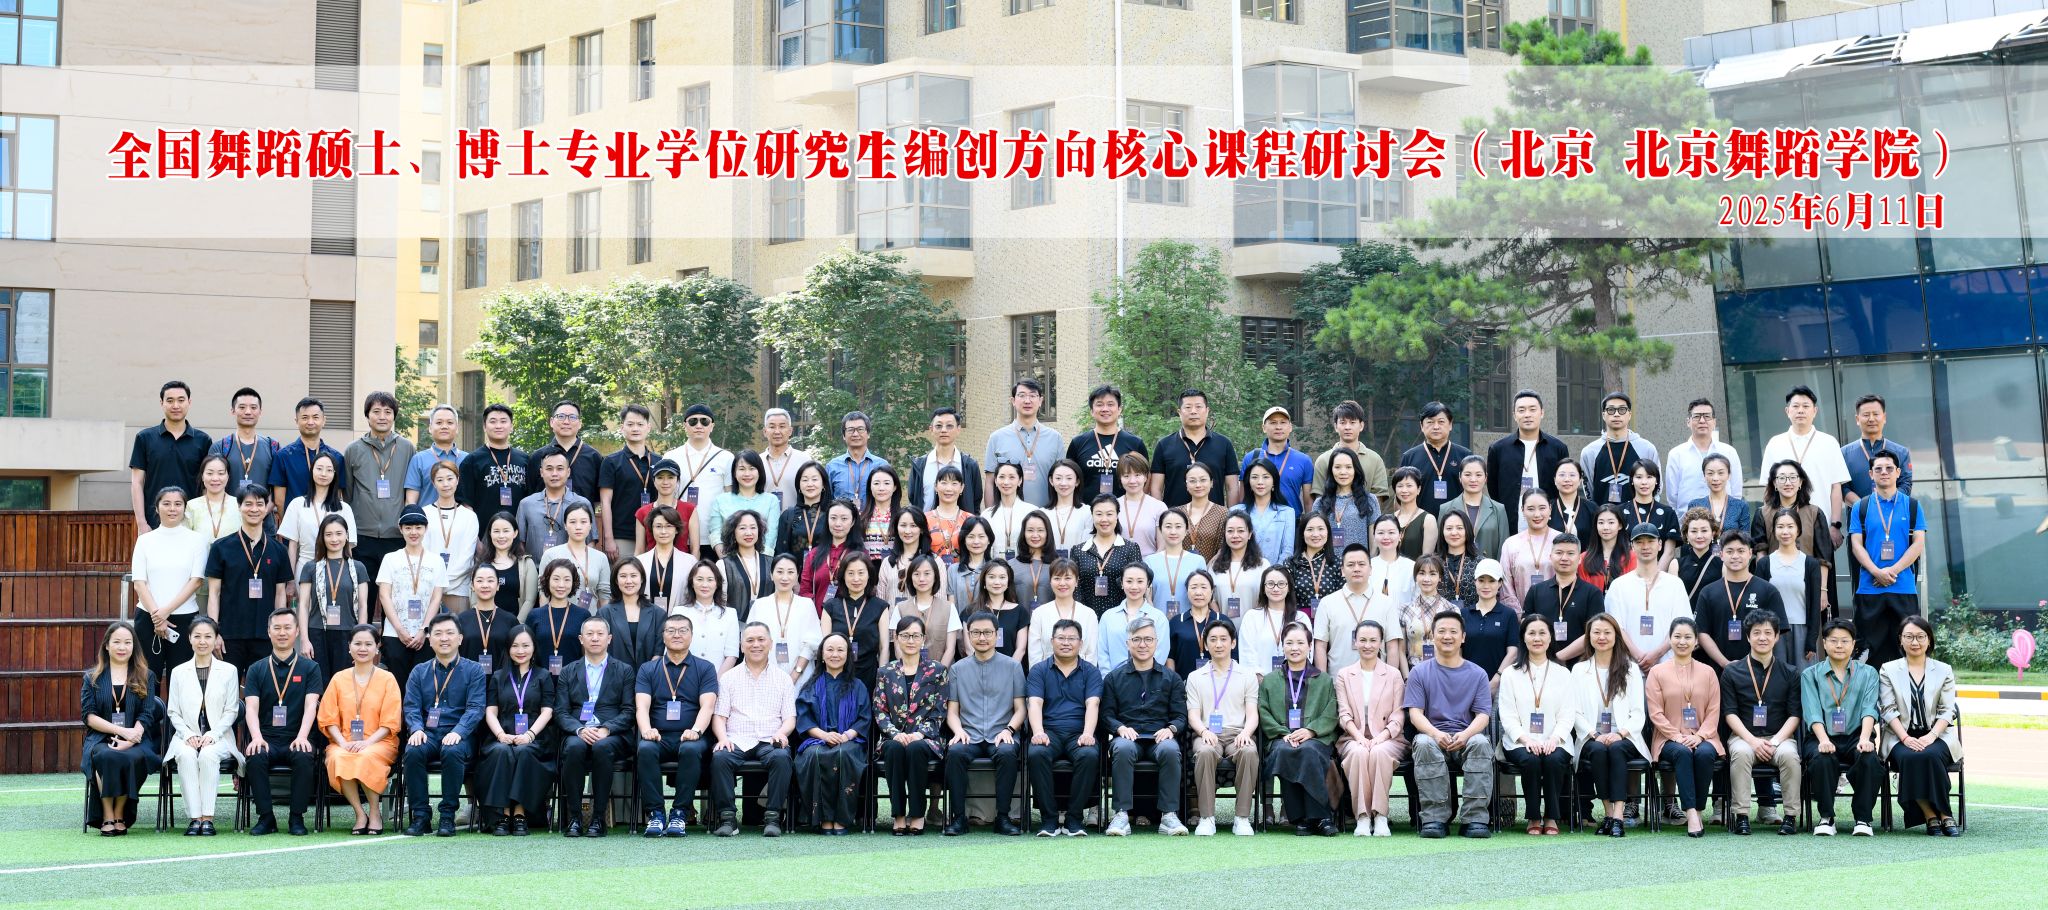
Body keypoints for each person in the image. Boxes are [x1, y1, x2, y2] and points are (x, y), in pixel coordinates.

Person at [1404, 609, 1495, 839]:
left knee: (1481, 742)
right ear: (1432, 636)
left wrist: (1465, 735)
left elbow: (1483, 716)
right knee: (1423, 742)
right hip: (1433, 737)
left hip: (1466, 737)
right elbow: (1415, 714)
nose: (1447, 636)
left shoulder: (1478, 674)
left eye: (1453, 632)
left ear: (1463, 637)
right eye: (1441, 631)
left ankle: (1474, 819)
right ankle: (1435, 818)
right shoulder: (1419, 672)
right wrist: (1436, 734)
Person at [1100, 616, 1188, 836]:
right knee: (1122, 748)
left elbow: (1180, 716)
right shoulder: (1114, 678)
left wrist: (1171, 729)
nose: (1142, 645)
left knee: (1170, 749)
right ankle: (1121, 815)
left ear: (1156, 642)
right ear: (1128, 643)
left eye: (1148, 639)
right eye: (1137, 639)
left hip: (1160, 737)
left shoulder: (1171, 678)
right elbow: (1106, 715)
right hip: (1128, 736)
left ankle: (1169, 815)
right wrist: (1120, 728)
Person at [943, 611, 1028, 836]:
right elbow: (952, 711)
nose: (982, 637)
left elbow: (1021, 709)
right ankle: (959, 818)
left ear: (997, 635)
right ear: (969, 635)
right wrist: (958, 731)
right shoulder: (957, 669)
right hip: (968, 733)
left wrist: (1009, 729)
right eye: (976, 633)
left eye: (987, 632)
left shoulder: (1012, 666)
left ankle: (1003, 817)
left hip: (1002, 732)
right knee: (955, 752)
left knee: (1007, 753)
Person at [399, 613, 485, 837]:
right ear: (430, 640)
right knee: (413, 751)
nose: (444, 638)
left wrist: (459, 731)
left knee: (452, 750)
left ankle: (447, 815)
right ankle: (421, 816)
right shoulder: (419, 671)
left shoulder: (474, 670)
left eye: (449, 633)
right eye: (438, 633)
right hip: (428, 733)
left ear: (460, 638)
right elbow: (411, 706)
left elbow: (476, 708)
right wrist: (416, 728)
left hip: (460, 735)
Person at [710, 622, 798, 837]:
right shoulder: (729, 677)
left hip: (770, 739)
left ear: (770, 644)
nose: (755, 645)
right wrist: (722, 738)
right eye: (750, 640)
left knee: (781, 758)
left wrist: (782, 733)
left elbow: (790, 718)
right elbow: (719, 716)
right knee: (720, 757)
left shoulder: (783, 678)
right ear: (742, 646)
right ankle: (728, 818)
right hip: (737, 739)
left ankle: (773, 817)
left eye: (761, 640)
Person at [635, 613, 719, 837]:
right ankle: (655, 815)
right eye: (671, 630)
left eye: (683, 630)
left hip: (691, 736)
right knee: (645, 748)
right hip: (658, 736)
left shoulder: (705, 668)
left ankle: (680, 813)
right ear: (663, 636)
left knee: (691, 749)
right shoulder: (648, 669)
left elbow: (708, 706)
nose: (677, 635)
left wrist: (696, 731)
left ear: (691, 635)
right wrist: (646, 730)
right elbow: (641, 706)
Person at [1719, 611, 1802, 836]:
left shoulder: (1790, 673)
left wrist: (1774, 742)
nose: (1762, 638)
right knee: (1741, 753)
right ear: (1748, 637)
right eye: (1756, 633)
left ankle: (1791, 817)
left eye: (1768, 633)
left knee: (1790, 756)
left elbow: (1794, 715)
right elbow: (1730, 713)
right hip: (1743, 737)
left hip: (1779, 738)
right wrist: (1753, 741)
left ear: (1777, 637)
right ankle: (1741, 816)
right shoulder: (1732, 672)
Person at [241, 608, 321, 836]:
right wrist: (256, 737)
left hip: (298, 735)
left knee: (303, 755)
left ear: (297, 631)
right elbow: (251, 708)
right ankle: (266, 817)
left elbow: (311, 706)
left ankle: (297, 817)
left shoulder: (310, 668)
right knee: (255, 755)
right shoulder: (256, 669)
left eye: (287, 628)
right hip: (266, 736)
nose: (282, 633)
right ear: (269, 632)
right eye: (277, 628)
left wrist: (302, 736)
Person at [1878, 616, 1961, 836]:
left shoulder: (1943, 670)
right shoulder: (1888, 669)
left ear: (1929, 639)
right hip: (1899, 735)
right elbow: (1888, 710)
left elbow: (1947, 710)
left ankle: (1943, 814)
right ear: (1900, 639)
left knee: (1930, 755)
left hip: (1938, 734)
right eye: (1909, 637)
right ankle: (1930, 814)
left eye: (1920, 637)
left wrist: (1931, 736)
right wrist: (1905, 738)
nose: (1915, 642)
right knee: (1911, 756)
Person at [1800, 619, 1883, 837]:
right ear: (1824, 643)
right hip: (1821, 735)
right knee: (1821, 759)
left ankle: (1863, 818)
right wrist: (1823, 740)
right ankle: (1826, 817)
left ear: (1853, 644)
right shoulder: (1810, 674)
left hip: (1857, 734)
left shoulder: (1868, 673)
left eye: (1845, 641)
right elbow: (1812, 711)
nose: (1839, 645)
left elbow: (1869, 709)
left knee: (1869, 759)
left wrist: (1865, 738)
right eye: (1833, 640)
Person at [554, 616, 635, 837]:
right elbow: (560, 711)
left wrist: (607, 729)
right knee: (573, 747)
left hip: (612, 734)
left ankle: (598, 818)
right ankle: (575, 818)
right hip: (578, 731)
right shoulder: (568, 671)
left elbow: (629, 711)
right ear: (581, 639)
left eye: (600, 634)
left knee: (602, 747)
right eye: (590, 634)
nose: (595, 638)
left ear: (609, 638)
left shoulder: (624, 670)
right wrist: (579, 730)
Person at [318, 624, 401, 835]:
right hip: (343, 740)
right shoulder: (338, 679)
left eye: (368, 644)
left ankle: (374, 811)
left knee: (365, 756)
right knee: (339, 757)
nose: (362, 648)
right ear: (349, 647)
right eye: (357, 643)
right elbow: (328, 718)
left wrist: (367, 742)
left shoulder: (387, 679)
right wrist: (342, 742)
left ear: (377, 647)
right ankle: (359, 813)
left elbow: (390, 721)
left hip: (379, 741)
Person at [81, 621, 162, 835]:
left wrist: (133, 736)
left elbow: (147, 712)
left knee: (131, 757)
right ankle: (108, 814)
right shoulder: (92, 677)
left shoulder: (146, 675)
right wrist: (122, 732)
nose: (122, 647)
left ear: (134, 646)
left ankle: (120, 812)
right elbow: (89, 716)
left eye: (127, 642)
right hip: (101, 738)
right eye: (117, 642)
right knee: (106, 756)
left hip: (136, 738)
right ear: (107, 645)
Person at [1846, 450, 1924, 668]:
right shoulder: (1861, 507)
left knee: (1907, 648)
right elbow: (1856, 545)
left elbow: (1918, 544)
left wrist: (1892, 571)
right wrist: (1876, 571)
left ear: (1898, 472)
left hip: (1903, 587)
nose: (1884, 472)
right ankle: (1870, 691)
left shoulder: (1912, 506)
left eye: (1889, 468)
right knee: (1867, 650)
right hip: (1869, 588)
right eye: (1878, 469)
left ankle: (1906, 691)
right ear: (1871, 474)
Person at [1572, 613, 1648, 837]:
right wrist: (1594, 734)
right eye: (1596, 632)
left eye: (1607, 632)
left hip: (1625, 736)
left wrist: (1621, 733)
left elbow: (1638, 713)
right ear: (1589, 636)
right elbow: (1574, 712)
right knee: (1598, 750)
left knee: (1615, 749)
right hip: (1591, 736)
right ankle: (1608, 812)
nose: (1602, 637)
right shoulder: (1579, 670)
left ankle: (1618, 815)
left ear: (1616, 636)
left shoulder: (1630, 669)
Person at [476, 625, 556, 836]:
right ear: (508, 648)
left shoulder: (544, 676)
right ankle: (503, 815)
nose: (520, 651)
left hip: (535, 739)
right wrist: (501, 735)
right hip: (501, 737)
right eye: (515, 646)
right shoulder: (498, 676)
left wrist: (530, 735)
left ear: (534, 647)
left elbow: (547, 711)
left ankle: (520, 814)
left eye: (525, 646)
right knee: (501, 752)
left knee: (524, 751)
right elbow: (490, 711)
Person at [1026, 618, 1103, 836]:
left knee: (1089, 754)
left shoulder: (1091, 671)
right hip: (1049, 732)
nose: (1066, 643)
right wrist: (1038, 732)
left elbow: (1093, 704)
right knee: (1037, 753)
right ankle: (1049, 819)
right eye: (1061, 638)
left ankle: (1074, 819)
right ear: (1052, 641)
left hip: (1079, 733)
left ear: (1081, 643)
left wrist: (1088, 733)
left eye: (1071, 638)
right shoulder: (1039, 670)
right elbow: (1034, 703)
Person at [1500, 614, 1576, 835]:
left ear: (1550, 637)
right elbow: (1507, 714)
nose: (1537, 638)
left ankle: (1551, 816)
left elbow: (1567, 713)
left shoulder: (1563, 673)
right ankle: (1533, 816)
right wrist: (1526, 739)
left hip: (1556, 739)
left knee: (1554, 759)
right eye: (1531, 633)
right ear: (1523, 638)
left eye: (1542, 633)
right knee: (1530, 760)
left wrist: (1555, 738)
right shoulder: (1510, 674)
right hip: (1519, 741)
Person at [1645, 617, 1721, 837]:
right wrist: (1677, 736)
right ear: (1669, 639)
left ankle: (1697, 809)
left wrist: (1700, 736)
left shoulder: (1708, 672)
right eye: (1677, 636)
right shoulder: (1657, 672)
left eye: (1688, 637)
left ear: (1696, 641)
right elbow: (1655, 713)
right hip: (1668, 738)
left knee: (1705, 754)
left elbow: (1714, 710)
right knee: (1683, 752)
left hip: (1704, 736)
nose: (1682, 641)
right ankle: (1691, 813)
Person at [204, 484, 293, 670]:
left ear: (267, 508)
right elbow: (214, 594)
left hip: (266, 635)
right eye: (248, 504)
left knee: (263, 687)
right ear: (239, 507)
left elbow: (280, 594)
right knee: (228, 687)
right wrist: (214, 633)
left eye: (260, 504)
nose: (254, 509)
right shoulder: (221, 547)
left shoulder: (279, 550)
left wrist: (279, 631)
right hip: (229, 635)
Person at [1260, 623, 1337, 836]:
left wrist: (1310, 731)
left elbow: (1331, 712)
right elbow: (1263, 711)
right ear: (1282, 646)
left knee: (1308, 750)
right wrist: (1283, 733)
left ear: (1310, 646)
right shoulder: (1270, 680)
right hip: (1280, 738)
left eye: (1300, 643)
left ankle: (1313, 818)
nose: (1295, 648)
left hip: (1315, 738)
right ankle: (1313, 818)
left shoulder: (1324, 680)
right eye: (1289, 643)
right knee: (1287, 751)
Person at [166, 616, 240, 835]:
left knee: (208, 754)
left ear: (216, 639)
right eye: (197, 636)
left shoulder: (229, 670)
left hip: (220, 737)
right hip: (185, 736)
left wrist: (213, 735)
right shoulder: (178, 672)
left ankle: (207, 818)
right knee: (186, 755)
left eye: (208, 636)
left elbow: (231, 710)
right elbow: (173, 711)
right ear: (189, 638)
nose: (202, 641)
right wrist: (187, 734)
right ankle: (194, 818)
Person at [1185, 619, 1260, 836]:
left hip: (1238, 733)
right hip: (1207, 733)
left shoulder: (1247, 675)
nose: (1218, 644)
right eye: (1213, 640)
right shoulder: (1195, 677)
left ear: (1233, 643)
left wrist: (1246, 733)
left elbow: (1252, 714)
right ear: (1205, 644)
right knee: (1205, 752)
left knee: (1249, 751)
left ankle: (1242, 818)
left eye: (1223, 639)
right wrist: (1203, 731)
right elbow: (1193, 715)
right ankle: (1207, 817)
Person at [875, 616, 948, 834]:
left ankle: (917, 814)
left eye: (916, 636)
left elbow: (940, 710)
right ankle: (898, 814)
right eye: (905, 635)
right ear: (896, 638)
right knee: (894, 749)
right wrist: (894, 734)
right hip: (893, 737)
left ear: (923, 639)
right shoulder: (885, 672)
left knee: (916, 749)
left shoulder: (937, 670)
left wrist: (920, 734)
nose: (910, 640)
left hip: (926, 739)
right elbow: (879, 711)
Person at [1334, 619, 1406, 837]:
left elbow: (1398, 714)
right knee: (1358, 753)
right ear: (1355, 642)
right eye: (1362, 640)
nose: (1367, 645)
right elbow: (1344, 714)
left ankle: (1380, 815)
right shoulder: (1344, 674)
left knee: (1378, 752)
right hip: (1353, 737)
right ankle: (1363, 817)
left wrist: (1380, 738)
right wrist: (1359, 737)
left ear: (1381, 642)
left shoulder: (1393, 674)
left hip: (1389, 738)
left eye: (1373, 640)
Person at [795, 632, 872, 834]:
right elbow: (804, 718)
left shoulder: (858, 686)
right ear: (822, 654)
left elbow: (864, 718)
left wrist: (845, 736)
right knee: (814, 755)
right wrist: (824, 735)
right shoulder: (810, 686)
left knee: (843, 754)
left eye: (840, 650)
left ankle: (841, 818)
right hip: (817, 740)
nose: (835, 654)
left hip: (849, 741)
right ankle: (822, 818)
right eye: (830, 650)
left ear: (848, 654)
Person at [132, 486, 210, 683]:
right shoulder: (144, 541)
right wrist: (157, 616)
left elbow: (196, 581)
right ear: (157, 508)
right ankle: (149, 706)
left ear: (185, 508)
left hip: (184, 617)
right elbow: (139, 583)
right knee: (147, 678)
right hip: (148, 617)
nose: (172, 509)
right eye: (166, 504)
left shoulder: (197, 540)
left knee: (182, 679)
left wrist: (164, 612)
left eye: (178, 504)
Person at [1750, 459, 1836, 623]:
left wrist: (1822, 590)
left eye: (1792, 477)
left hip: (1808, 585)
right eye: (1782, 478)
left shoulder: (1814, 513)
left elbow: (1823, 558)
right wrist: (1763, 587)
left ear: (1801, 482)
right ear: (1774, 483)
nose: (1787, 482)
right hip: (1775, 584)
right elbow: (1760, 554)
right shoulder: (1762, 513)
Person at [1760, 385, 1850, 536]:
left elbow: (1836, 487)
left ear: (1815, 411)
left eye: (1806, 406)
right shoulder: (1775, 443)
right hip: (1783, 528)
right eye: (1795, 406)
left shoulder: (1829, 442)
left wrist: (1835, 525)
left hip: (1821, 524)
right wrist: (1769, 524)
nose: (1800, 410)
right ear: (1787, 411)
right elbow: (1767, 488)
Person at [1694, 531, 1789, 670]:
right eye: (1730, 551)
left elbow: (1777, 631)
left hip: (1759, 669)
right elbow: (1702, 632)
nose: (1735, 556)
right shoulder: (1708, 592)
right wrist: (1725, 664)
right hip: (1718, 671)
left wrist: (1753, 661)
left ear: (1750, 553)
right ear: (1721, 555)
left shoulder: (1768, 591)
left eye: (1741, 551)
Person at [344, 391, 415, 577]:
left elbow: (411, 489)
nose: (382, 417)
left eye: (388, 412)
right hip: (362, 535)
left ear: (394, 416)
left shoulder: (407, 448)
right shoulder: (353, 449)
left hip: (396, 535)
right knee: (364, 589)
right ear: (367, 416)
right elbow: (348, 493)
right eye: (376, 411)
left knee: (394, 589)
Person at [1606, 523, 1692, 669]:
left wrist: (1656, 655)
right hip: (1628, 668)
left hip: (1667, 667)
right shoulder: (1618, 585)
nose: (1645, 547)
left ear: (1660, 545)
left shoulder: (1675, 584)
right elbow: (1616, 627)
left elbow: (1682, 625)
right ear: (1632, 546)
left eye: (1651, 541)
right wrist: (1639, 657)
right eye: (1639, 542)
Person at [377, 506, 448, 683]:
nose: (413, 532)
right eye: (408, 528)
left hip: (426, 635)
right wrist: (400, 629)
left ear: (425, 528)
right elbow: (384, 596)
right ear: (400, 529)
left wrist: (424, 630)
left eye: (418, 527)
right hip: (394, 633)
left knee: (424, 684)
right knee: (396, 683)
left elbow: (436, 598)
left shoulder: (437, 561)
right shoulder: (390, 558)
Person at [132, 380, 212, 532]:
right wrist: (141, 523)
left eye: (181, 400)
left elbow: (206, 486)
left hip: (192, 523)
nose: (176, 405)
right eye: (170, 400)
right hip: (154, 523)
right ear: (161, 403)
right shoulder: (144, 438)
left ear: (189, 402)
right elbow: (137, 482)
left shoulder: (203, 440)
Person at [1484, 390, 1570, 529]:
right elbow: (1493, 487)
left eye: (1532, 409)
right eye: (1521, 410)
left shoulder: (1558, 448)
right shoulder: (1498, 449)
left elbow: (1563, 485)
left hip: (1549, 522)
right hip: (1510, 521)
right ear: (1514, 415)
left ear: (1542, 413)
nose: (1527, 414)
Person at [298, 514, 367, 682]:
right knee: (318, 684)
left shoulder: (358, 568)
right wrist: (304, 640)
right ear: (322, 537)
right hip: (317, 633)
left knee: (345, 684)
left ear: (347, 535)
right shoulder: (311, 567)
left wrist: (361, 639)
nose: (334, 539)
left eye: (339, 533)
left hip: (348, 634)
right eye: (328, 534)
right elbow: (303, 605)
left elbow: (363, 605)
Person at [1316, 544, 1402, 674]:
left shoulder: (1386, 603)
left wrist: (1390, 680)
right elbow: (1320, 646)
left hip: (1378, 680)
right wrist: (1323, 681)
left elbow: (1392, 646)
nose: (1356, 569)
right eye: (1350, 565)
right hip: (1338, 680)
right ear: (1342, 571)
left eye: (1361, 564)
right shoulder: (1327, 603)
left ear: (1370, 569)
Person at [1151, 388, 1241, 508]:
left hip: (1214, 517)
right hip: (1175, 517)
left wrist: (1231, 516)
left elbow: (1232, 487)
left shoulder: (1224, 444)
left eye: (1198, 407)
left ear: (1207, 411)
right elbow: (1156, 488)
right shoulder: (1164, 445)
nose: (1193, 411)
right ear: (1179, 412)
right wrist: (1161, 516)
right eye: (1188, 407)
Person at [985, 378, 1064, 509]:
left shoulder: (1055, 438)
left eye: (1033, 396)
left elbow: (1062, 480)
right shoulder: (997, 438)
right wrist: (990, 516)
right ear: (1013, 401)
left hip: (1046, 515)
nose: (1027, 401)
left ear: (1040, 401)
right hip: (1008, 515)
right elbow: (989, 482)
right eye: (1022, 395)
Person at [1761, 507, 1826, 665]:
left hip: (1802, 631)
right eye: (1780, 526)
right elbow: (1760, 604)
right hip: (1773, 631)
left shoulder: (1810, 564)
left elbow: (1814, 605)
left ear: (1798, 530)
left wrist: (1811, 639)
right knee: (1775, 677)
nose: (1785, 532)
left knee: (1804, 677)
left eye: (1790, 526)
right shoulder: (1765, 563)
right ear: (1774, 530)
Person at [1526, 535, 1605, 662]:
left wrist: (1557, 658)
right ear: (1550, 557)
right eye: (1559, 553)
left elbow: (1595, 632)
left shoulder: (1592, 593)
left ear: (1579, 559)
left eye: (1570, 553)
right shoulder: (1536, 591)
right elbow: (1526, 627)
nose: (1564, 558)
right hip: (1540, 663)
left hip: (1581, 666)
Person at [1066, 385, 1149, 501]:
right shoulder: (1078, 443)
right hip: (1086, 509)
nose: (1105, 409)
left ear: (1119, 409)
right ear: (1091, 411)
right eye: (1099, 404)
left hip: (1125, 509)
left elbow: (1146, 479)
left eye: (1110, 404)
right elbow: (1068, 478)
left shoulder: (1135, 443)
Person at [279, 451, 355, 575]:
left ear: (335, 474)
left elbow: (348, 548)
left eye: (329, 470)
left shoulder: (344, 508)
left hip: (336, 572)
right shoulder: (297, 504)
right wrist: (291, 580)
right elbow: (292, 547)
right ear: (312, 471)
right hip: (304, 568)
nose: (323, 474)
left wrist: (350, 577)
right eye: (319, 469)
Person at [1579, 392, 1660, 507]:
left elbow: (1656, 486)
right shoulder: (1590, 452)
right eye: (1611, 410)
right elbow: (1589, 491)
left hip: (1638, 516)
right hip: (1603, 517)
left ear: (1629, 415)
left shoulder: (1647, 449)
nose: (1616, 414)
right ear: (1603, 415)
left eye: (1622, 410)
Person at [822, 552, 889, 691]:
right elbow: (824, 647)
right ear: (843, 576)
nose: (856, 579)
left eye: (861, 573)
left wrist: (881, 681)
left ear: (869, 575)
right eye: (851, 573)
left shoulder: (880, 607)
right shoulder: (830, 607)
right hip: (837, 675)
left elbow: (884, 648)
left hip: (870, 676)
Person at [598, 404, 657, 560]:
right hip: (622, 536)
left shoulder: (659, 462)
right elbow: (605, 502)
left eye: (640, 424)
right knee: (624, 575)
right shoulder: (611, 462)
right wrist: (609, 538)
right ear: (622, 427)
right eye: (630, 424)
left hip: (654, 535)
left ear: (648, 427)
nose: (635, 428)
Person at [268, 397, 347, 513]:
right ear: (296, 421)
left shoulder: (336, 458)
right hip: (295, 521)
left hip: (326, 521)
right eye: (305, 418)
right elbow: (279, 501)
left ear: (324, 420)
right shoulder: (283, 456)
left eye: (315, 417)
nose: (310, 422)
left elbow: (337, 495)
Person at [1312, 400, 1392, 513]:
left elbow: (1378, 497)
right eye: (1343, 422)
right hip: (1331, 520)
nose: (1347, 427)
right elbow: (1319, 497)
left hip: (1365, 518)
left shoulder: (1375, 459)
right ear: (1335, 426)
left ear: (1361, 425)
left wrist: (1360, 517)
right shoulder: (1323, 460)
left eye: (1352, 422)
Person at [754, 554, 822, 685]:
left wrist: (794, 675)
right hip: (764, 677)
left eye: (790, 572)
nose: (785, 577)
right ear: (771, 574)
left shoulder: (806, 605)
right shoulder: (760, 605)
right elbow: (752, 643)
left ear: (797, 576)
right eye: (780, 572)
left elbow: (812, 644)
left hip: (801, 677)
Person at [421, 462, 480, 613]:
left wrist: (444, 584)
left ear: (457, 480)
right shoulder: (425, 513)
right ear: (433, 483)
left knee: (457, 626)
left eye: (450, 478)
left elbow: (467, 556)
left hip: (459, 589)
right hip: (427, 588)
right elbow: (422, 551)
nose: (445, 484)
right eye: (440, 480)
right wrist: (434, 583)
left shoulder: (469, 516)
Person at [1664, 398, 1743, 510]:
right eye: (1696, 416)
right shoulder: (1676, 454)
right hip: (1688, 518)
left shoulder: (1729, 452)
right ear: (1688, 422)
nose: (1702, 421)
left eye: (1707, 416)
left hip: (1724, 518)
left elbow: (1736, 491)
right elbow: (1672, 496)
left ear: (1714, 422)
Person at [456, 403, 533, 518]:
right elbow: (466, 503)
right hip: (484, 528)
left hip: (518, 527)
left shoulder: (525, 460)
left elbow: (532, 499)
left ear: (511, 426)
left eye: (503, 421)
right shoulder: (472, 460)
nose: (498, 426)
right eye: (493, 421)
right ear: (484, 427)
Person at [1073, 495, 1143, 616]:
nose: (1104, 519)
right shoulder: (1078, 551)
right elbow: (1075, 588)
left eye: (1109, 514)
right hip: (1086, 617)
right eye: (1099, 514)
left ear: (1117, 516)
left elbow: (1137, 584)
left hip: (1123, 617)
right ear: (1092, 516)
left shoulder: (1131, 548)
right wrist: (1081, 615)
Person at [1399, 401, 1472, 517]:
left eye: (1441, 422)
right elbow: (1400, 496)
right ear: (1421, 426)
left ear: (1450, 425)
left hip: (1457, 523)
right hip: (1420, 522)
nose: (1436, 427)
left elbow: (1473, 491)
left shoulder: (1465, 455)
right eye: (1430, 422)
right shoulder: (1409, 457)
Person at [517, 451, 592, 561]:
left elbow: (590, 542)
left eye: (560, 468)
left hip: (571, 569)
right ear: (541, 472)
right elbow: (519, 542)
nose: (554, 474)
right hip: (535, 568)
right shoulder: (526, 504)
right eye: (549, 469)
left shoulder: (582, 503)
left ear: (568, 472)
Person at [908, 406, 984, 514]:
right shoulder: (919, 465)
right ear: (931, 429)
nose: (943, 430)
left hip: (962, 524)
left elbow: (976, 502)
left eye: (949, 426)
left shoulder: (969, 465)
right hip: (925, 524)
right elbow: (913, 500)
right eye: (938, 426)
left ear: (958, 429)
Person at [1843, 393, 1915, 506]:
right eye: (1866, 415)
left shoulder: (1901, 452)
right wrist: (1864, 507)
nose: (1871, 419)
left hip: (1893, 513)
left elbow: (1906, 484)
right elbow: (1842, 488)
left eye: (1876, 414)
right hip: (1859, 515)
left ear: (1884, 417)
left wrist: (1886, 504)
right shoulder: (1844, 454)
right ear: (1857, 419)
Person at [888, 554, 960, 667]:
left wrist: (938, 674)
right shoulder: (900, 608)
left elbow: (950, 649)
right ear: (910, 578)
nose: (921, 579)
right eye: (916, 574)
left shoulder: (949, 608)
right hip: (908, 673)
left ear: (935, 576)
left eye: (927, 573)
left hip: (941, 674)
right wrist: (910, 671)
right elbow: (898, 647)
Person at [707, 451, 782, 557]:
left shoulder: (771, 500)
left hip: (761, 560)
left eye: (752, 468)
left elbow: (771, 536)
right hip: (728, 559)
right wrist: (727, 561)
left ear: (759, 471)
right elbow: (715, 534)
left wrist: (761, 562)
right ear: (734, 472)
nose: (747, 474)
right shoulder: (720, 500)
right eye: (742, 469)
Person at [539, 502, 612, 612]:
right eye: (573, 522)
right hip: (557, 618)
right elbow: (543, 592)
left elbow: (604, 596)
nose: (578, 527)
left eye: (583, 522)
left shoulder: (600, 558)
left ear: (590, 525)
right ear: (565, 525)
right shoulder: (551, 554)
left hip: (590, 620)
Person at [1240, 407, 1314, 513]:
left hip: (1292, 521)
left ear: (1290, 427)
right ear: (1264, 427)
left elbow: (1308, 503)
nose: (1278, 427)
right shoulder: (1251, 458)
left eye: (1283, 422)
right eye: (1273, 423)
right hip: (1256, 520)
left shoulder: (1304, 460)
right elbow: (1242, 498)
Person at [1098, 564, 1170, 670]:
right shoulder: (1108, 617)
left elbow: (1161, 652)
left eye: (1140, 581)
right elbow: (1102, 654)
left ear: (1148, 584)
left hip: (1148, 678)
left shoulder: (1158, 617)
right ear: (1122, 583)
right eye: (1129, 581)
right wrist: (1109, 678)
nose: (1134, 587)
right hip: (1114, 678)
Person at [1028, 559, 1099, 667]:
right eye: (1057, 578)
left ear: (1076, 581)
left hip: (1081, 673)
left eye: (1068, 578)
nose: (1062, 583)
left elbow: (1091, 654)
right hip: (1047, 673)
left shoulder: (1089, 614)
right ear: (1050, 581)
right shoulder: (1039, 613)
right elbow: (1034, 655)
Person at [529, 401, 601, 507]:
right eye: (561, 416)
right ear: (551, 422)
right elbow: (531, 494)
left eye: (572, 417)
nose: (566, 422)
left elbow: (598, 499)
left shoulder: (594, 457)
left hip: (582, 517)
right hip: (545, 516)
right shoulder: (537, 457)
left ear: (580, 423)